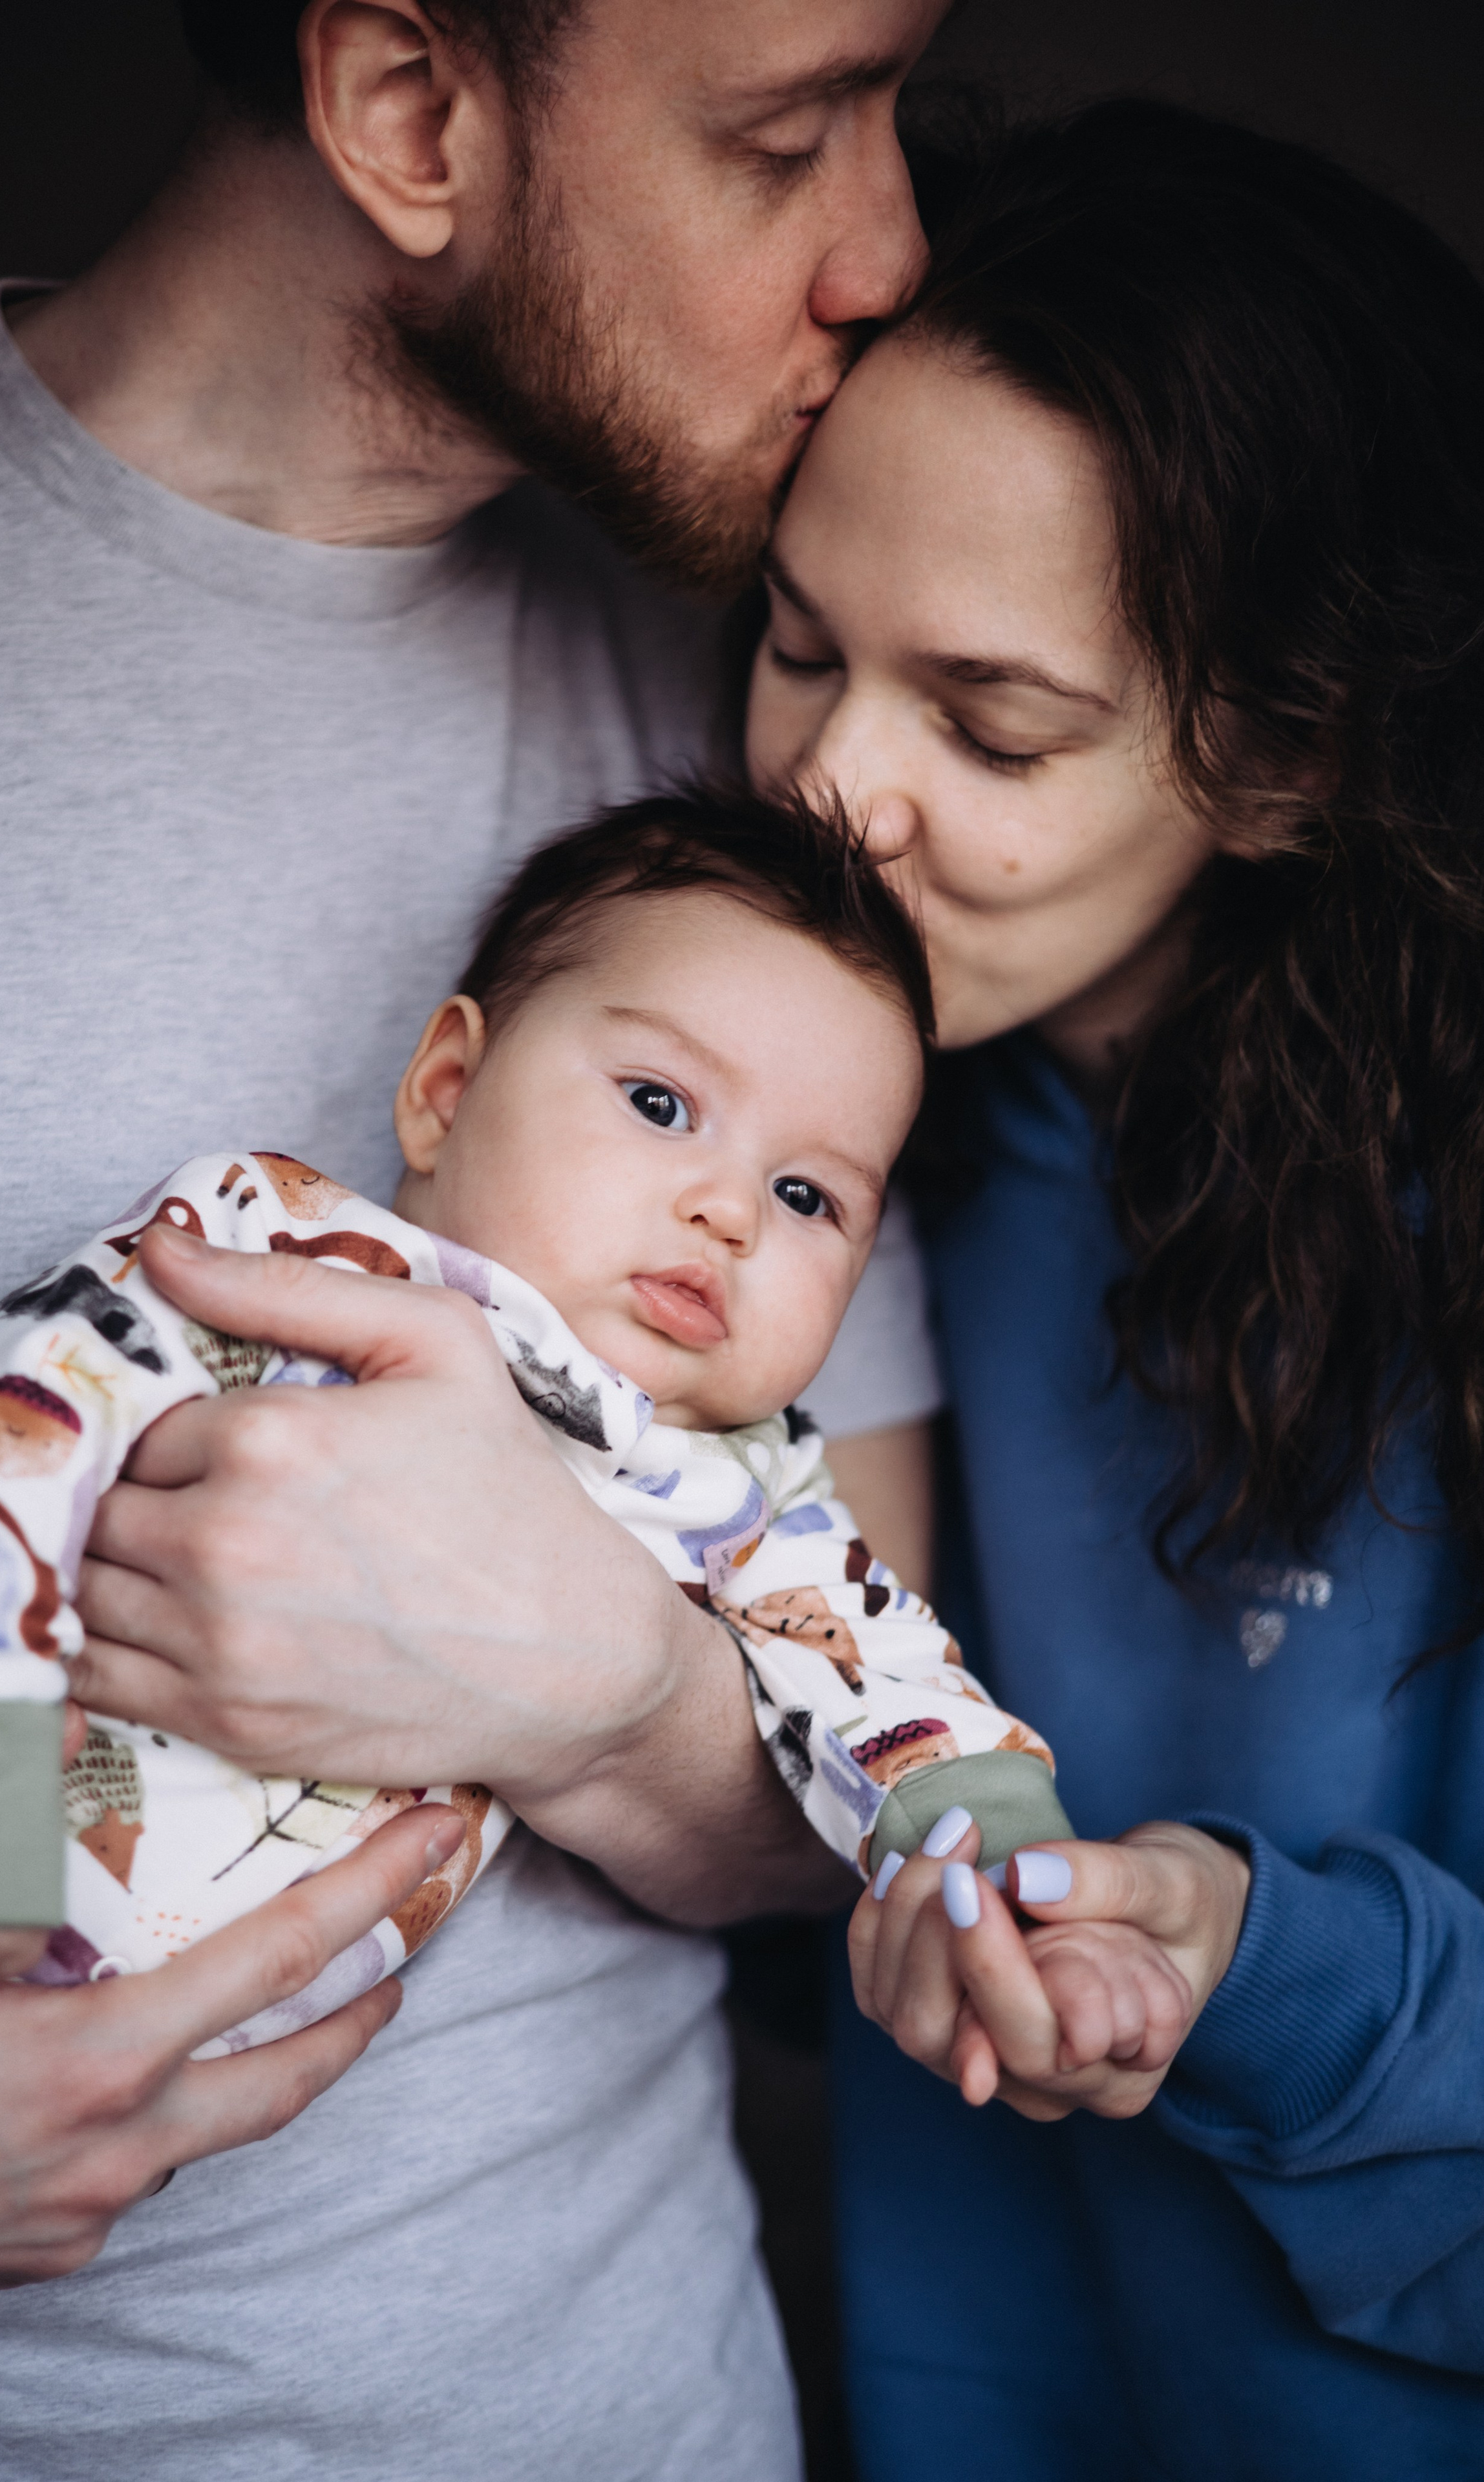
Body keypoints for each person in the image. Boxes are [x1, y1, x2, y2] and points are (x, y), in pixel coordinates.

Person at [0, 1, 947, 2473]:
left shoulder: (760, 705)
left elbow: (842, 1749)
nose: (892, 243)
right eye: (785, 135)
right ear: (412, 116)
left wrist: (601, 1697)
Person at [745, 98, 1484, 2479]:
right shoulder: (823, 1151)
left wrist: (1239, 1950)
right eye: (790, 644)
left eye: (990, 725)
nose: (827, 790)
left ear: (1278, 754)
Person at [0, 792, 1071, 2030]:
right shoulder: (281, 1253)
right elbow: (8, 1416)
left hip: (152, 2082)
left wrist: (1021, 1897)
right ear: (447, 1086)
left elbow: (892, 1688)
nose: (730, 1210)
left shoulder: (750, 1499)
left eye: (808, 1194)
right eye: (659, 1104)